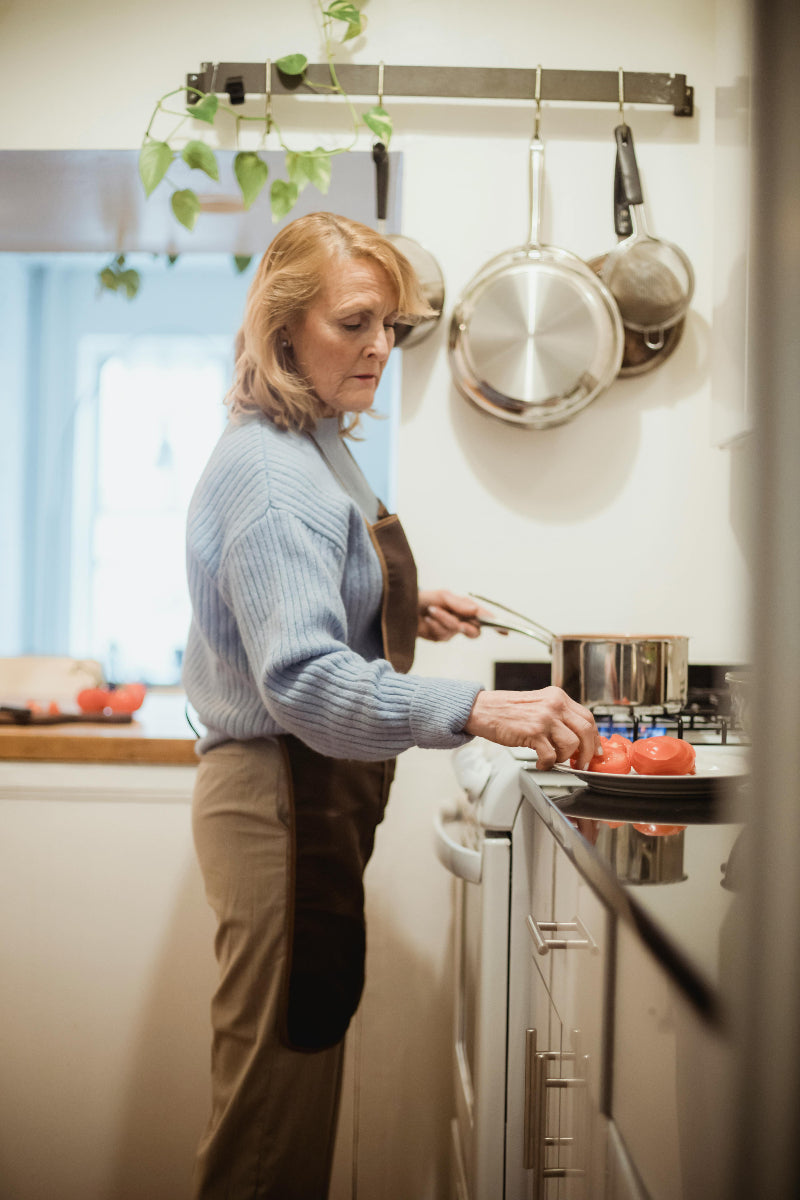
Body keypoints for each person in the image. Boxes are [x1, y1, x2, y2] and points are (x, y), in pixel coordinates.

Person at [183, 210, 600, 1200]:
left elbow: (310, 597)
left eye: (392, 327)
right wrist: (477, 710)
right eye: (354, 323)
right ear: (283, 331)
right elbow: (303, 684)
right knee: (268, 1128)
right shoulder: (272, 474)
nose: (379, 348)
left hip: (305, 802)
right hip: (278, 803)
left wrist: (406, 599)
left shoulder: (310, 444)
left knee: (292, 1085)